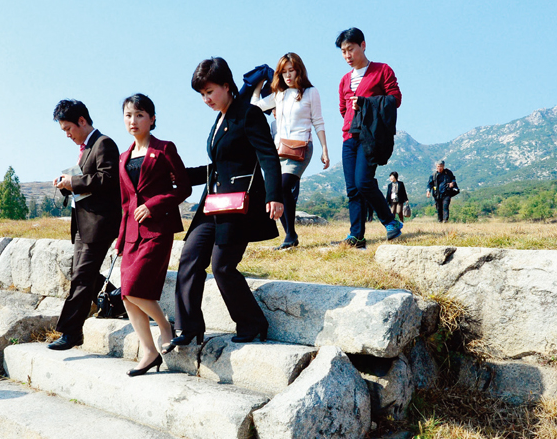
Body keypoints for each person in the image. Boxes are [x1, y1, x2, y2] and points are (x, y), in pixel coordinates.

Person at [169, 57, 284, 350]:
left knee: (222, 267)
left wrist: (274, 196)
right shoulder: (218, 120)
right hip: (212, 202)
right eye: (202, 94)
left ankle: (252, 322)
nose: (206, 99)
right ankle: (188, 327)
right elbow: (217, 166)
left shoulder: (249, 114)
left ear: (226, 85)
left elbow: (268, 157)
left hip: (238, 205)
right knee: (190, 257)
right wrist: (176, 175)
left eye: (209, 91)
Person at [114, 94, 191, 376]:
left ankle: (166, 327)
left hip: (158, 230)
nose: (133, 121)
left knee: (134, 288)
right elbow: (125, 204)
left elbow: (183, 187)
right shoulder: (123, 158)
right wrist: (121, 239)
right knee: (126, 295)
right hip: (132, 235)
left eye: (139, 115)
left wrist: (154, 204)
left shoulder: (165, 149)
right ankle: (149, 352)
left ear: (152, 119)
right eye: (128, 115)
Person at [48, 99, 122, 351]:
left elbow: (109, 179)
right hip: (82, 224)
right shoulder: (85, 148)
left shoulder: (104, 144)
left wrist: (75, 182)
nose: (67, 135)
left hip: (99, 224)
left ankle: (71, 332)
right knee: (84, 274)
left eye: (68, 128)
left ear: (82, 121)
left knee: (81, 277)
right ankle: (117, 302)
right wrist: (66, 185)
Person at [251, 52, 329, 250]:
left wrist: (325, 149)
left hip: (302, 149)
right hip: (280, 150)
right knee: (278, 191)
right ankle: (290, 236)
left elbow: (318, 121)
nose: (288, 75)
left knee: (283, 188)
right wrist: (258, 86)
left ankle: (290, 234)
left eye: (291, 71)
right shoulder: (280, 94)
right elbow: (254, 108)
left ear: (299, 70)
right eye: (284, 72)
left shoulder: (311, 92)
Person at [336, 27, 403, 249]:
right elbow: (343, 108)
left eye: (351, 49)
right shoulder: (345, 80)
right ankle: (357, 235)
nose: (347, 55)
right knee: (352, 189)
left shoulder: (382, 70)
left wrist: (366, 103)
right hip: (349, 137)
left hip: (370, 137)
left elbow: (395, 99)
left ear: (363, 45)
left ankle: (390, 221)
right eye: (343, 51)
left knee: (363, 182)